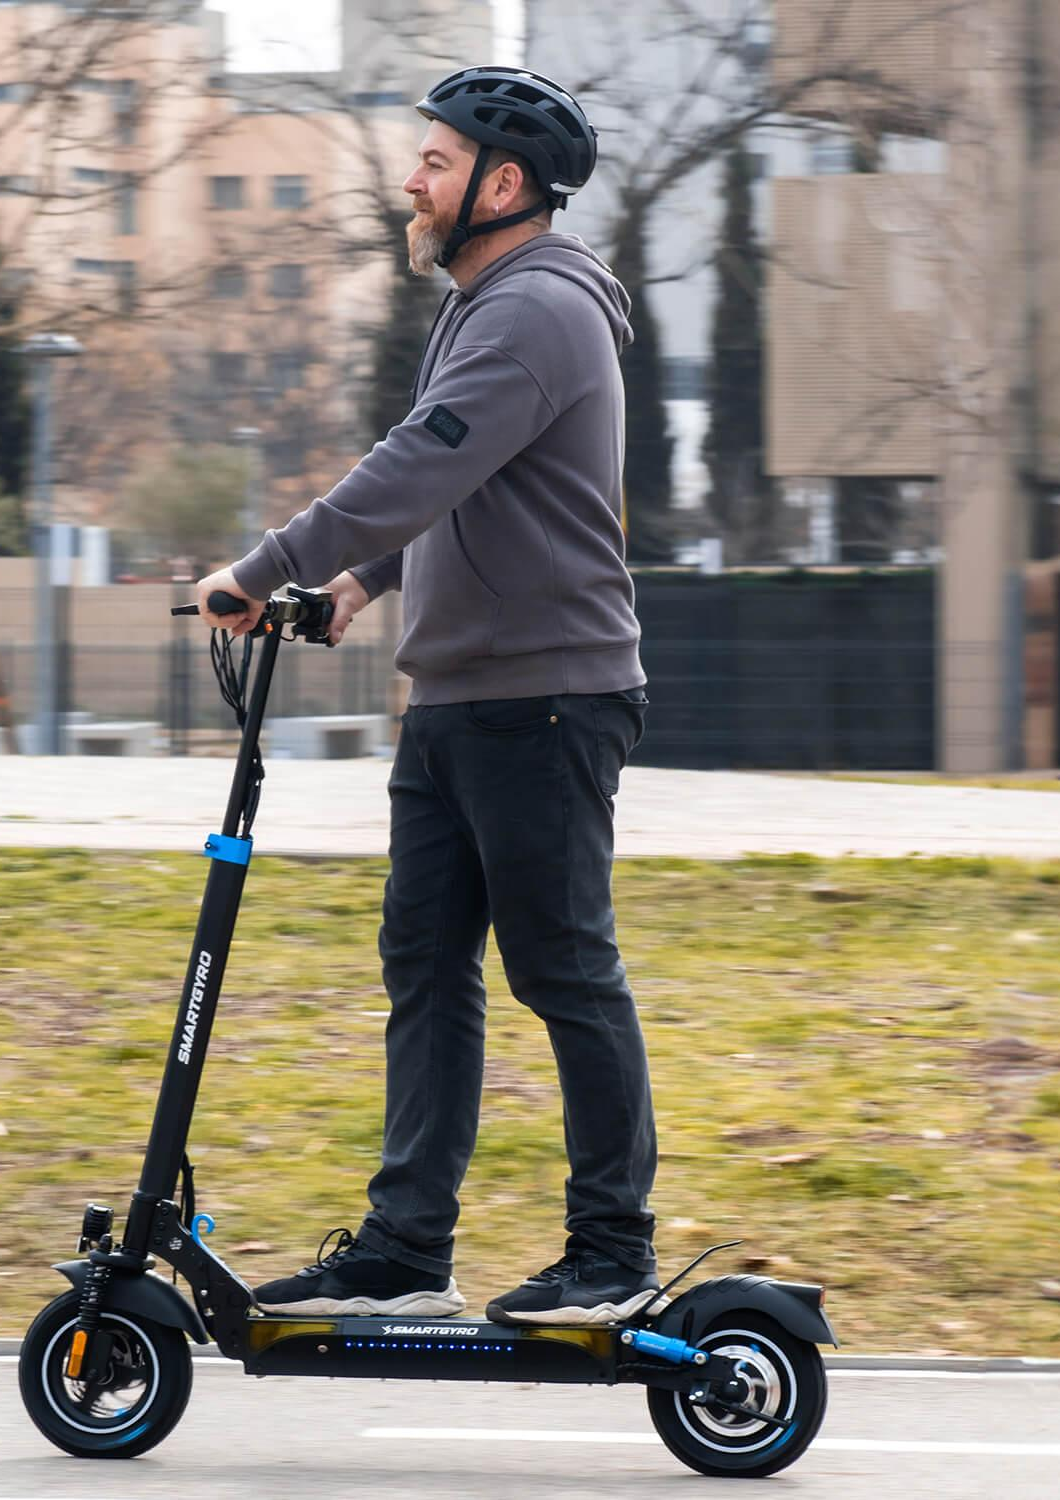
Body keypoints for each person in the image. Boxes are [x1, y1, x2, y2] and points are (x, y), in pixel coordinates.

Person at [194, 65, 658, 1328]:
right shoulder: (483, 305)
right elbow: (464, 481)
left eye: (438, 162)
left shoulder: (537, 309)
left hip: (546, 695)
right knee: (426, 966)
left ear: (505, 186)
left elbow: (420, 462)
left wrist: (267, 564)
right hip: (459, 694)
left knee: (562, 967)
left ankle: (612, 1252)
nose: (414, 178)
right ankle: (408, 1247)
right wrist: (363, 579)